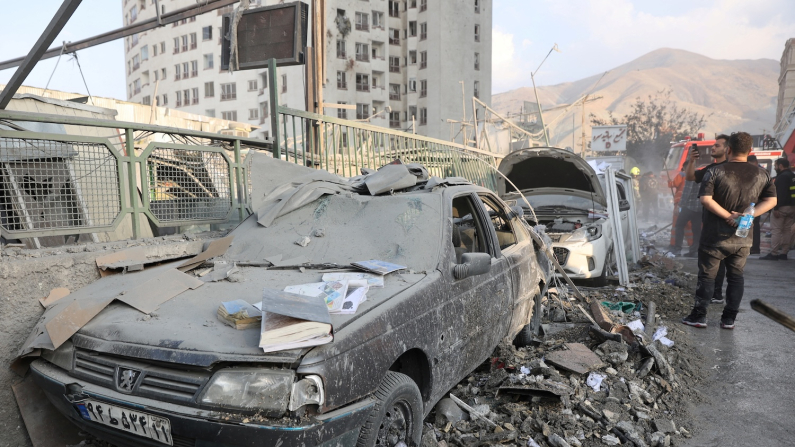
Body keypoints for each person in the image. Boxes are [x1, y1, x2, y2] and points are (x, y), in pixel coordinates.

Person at [682, 132, 776, 329]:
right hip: (742, 238)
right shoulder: (762, 173)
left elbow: (706, 199)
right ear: (750, 150)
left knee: (707, 276)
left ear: (729, 149)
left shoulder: (715, 171)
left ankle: (699, 316)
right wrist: (746, 216)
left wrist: (728, 216)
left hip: (714, 237)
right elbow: (772, 200)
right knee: (736, 276)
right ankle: (728, 319)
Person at [689, 135, 729, 303]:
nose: (713, 148)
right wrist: (692, 161)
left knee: (717, 261)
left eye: (717, 145)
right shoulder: (710, 168)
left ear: (727, 149)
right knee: (713, 260)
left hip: (725, 222)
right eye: (713, 145)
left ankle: (714, 294)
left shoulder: (730, 168)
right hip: (712, 221)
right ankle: (715, 294)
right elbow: (690, 177)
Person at [760, 157, 795, 260]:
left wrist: (775, 208)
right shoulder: (792, 176)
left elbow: (779, 194)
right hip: (792, 208)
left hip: (781, 208)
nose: (775, 168)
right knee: (787, 231)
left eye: (775, 166)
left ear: (780, 166)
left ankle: (774, 253)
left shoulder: (782, 177)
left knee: (776, 230)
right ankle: (784, 253)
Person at [746, 155, 763, 254]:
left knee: (754, 225)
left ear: (755, 162)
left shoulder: (759, 172)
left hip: (757, 202)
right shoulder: (760, 171)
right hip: (754, 202)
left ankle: (755, 247)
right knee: (751, 224)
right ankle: (753, 247)